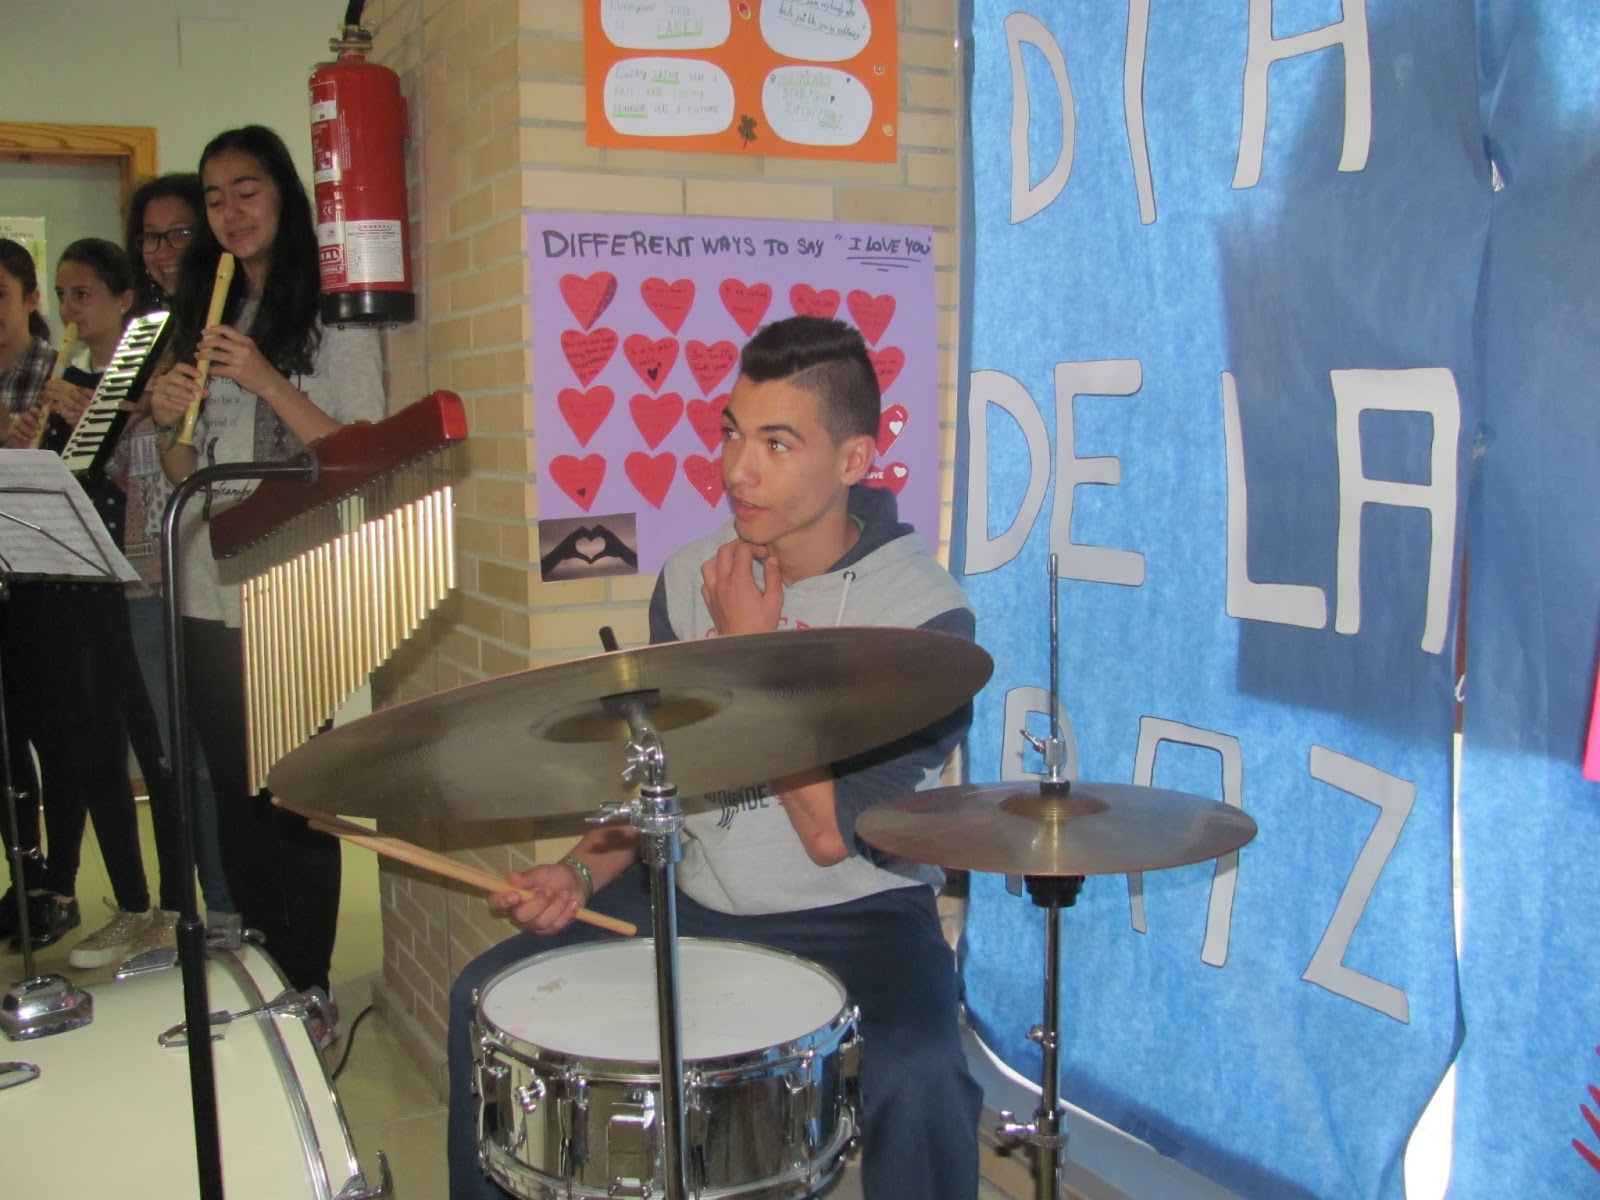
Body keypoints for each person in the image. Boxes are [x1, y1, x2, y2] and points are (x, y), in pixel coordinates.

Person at [447, 316, 983, 1200]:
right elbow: (663, 774)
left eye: (778, 443)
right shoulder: (691, 574)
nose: (738, 469)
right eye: (732, 433)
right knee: (485, 998)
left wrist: (750, 654)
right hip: (688, 893)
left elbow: (827, 838)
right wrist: (578, 874)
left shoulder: (924, 622)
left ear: (854, 459)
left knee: (921, 1073)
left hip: (860, 915)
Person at [148, 126, 384, 1002]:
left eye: (246, 190)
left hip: (291, 581)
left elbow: (358, 451)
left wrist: (264, 378)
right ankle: (259, 967)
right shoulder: (203, 316)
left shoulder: (330, 314)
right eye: (214, 199)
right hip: (206, 581)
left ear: (284, 193)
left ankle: (309, 981)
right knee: (234, 791)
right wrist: (170, 420)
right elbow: (187, 468)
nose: (230, 212)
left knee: (294, 794)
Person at [116, 173, 241, 948]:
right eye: (149, 238)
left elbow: (205, 449)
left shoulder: (218, 326)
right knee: (174, 757)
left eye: (177, 234)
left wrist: (156, 418)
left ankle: (228, 912)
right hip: (142, 567)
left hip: (200, 564)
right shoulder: (147, 334)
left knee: (215, 755)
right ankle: (201, 909)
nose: (160, 252)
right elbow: (125, 468)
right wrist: (115, 417)